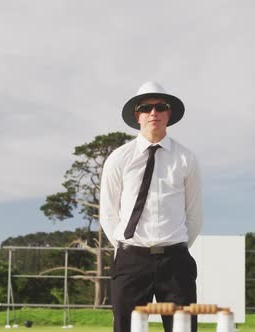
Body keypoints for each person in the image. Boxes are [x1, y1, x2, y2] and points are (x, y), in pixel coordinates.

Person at [100, 81, 203, 332]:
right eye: (146, 108)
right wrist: (128, 249)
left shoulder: (186, 159)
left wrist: (173, 246)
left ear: (169, 113)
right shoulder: (119, 159)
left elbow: (194, 213)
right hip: (131, 261)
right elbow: (108, 214)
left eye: (160, 107)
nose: (153, 113)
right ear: (138, 115)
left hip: (175, 263)